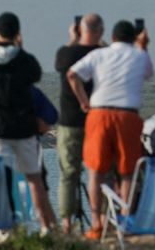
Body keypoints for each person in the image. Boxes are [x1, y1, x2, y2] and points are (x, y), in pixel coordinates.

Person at [66, 20, 153, 240]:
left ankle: (96, 223)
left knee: (95, 170)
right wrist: (143, 47)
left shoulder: (99, 54)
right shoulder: (139, 55)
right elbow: (148, 73)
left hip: (99, 113)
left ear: (112, 37)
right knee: (127, 171)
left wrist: (84, 101)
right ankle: (124, 220)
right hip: (128, 114)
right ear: (134, 37)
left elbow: (72, 74)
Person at [0, 12, 56, 233]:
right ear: (17, 33)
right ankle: (46, 226)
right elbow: (35, 74)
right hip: (24, 127)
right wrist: (20, 49)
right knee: (34, 178)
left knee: (0, 179)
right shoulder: (25, 61)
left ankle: (4, 228)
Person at [53, 13, 102, 232]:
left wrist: (73, 39)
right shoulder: (103, 53)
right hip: (95, 120)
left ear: (79, 29)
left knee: (67, 174)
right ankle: (99, 219)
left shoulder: (66, 53)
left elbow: (62, 62)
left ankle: (66, 223)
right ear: (100, 31)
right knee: (98, 171)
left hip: (69, 121)